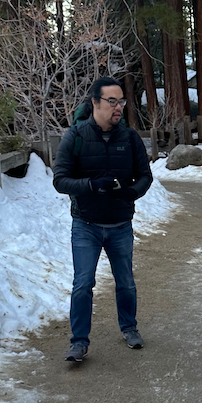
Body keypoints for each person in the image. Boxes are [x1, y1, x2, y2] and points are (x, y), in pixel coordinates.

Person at [53, 76, 153, 364]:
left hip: (120, 224)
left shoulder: (130, 138)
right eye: (112, 101)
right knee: (83, 284)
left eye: (121, 101)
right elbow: (60, 180)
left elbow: (145, 176)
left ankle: (129, 327)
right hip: (86, 225)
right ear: (95, 103)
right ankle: (78, 342)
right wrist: (92, 186)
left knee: (126, 282)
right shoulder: (76, 136)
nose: (118, 107)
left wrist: (131, 193)